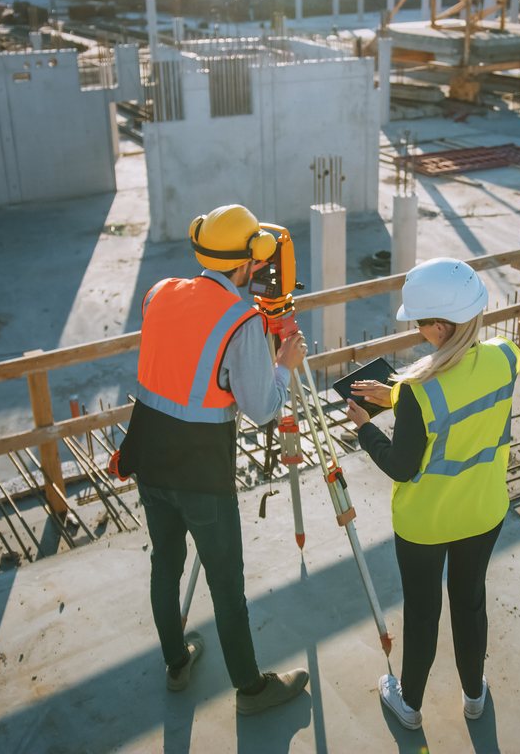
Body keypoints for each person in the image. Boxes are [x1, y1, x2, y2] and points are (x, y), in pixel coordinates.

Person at [124, 204, 310, 715]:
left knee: (166, 565)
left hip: (148, 456)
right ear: (251, 261)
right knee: (227, 584)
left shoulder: (159, 293)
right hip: (202, 471)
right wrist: (282, 365)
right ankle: (251, 690)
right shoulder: (243, 319)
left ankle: (176, 661)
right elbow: (263, 409)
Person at [346, 257, 520, 729]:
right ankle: (474, 696)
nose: (419, 330)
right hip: (483, 511)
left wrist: (366, 428)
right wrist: (399, 395)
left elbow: (401, 466)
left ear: (440, 326)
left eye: (421, 322)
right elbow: (463, 393)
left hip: (426, 524)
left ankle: (410, 706)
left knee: (423, 614)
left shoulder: (420, 392)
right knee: (470, 602)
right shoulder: (507, 357)